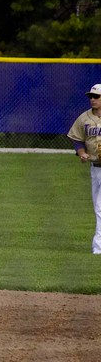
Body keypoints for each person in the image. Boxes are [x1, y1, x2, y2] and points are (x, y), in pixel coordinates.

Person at [68, 83, 101, 255]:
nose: (92, 99)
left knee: (100, 207)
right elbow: (77, 139)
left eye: (96, 97)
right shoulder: (84, 118)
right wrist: (82, 153)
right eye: (91, 97)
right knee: (98, 207)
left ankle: (98, 247)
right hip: (95, 168)